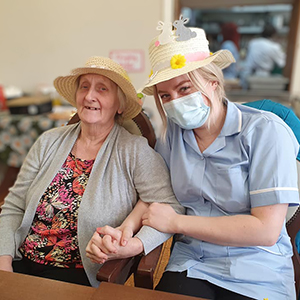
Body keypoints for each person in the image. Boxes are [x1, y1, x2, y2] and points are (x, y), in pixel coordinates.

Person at [137, 18, 298, 299]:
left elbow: (265, 230)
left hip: (257, 270)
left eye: (184, 89)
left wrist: (176, 224)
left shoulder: (266, 131)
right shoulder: (173, 135)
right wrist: (128, 238)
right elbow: (157, 195)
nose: (174, 101)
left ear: (212, 82)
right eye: (165, 95)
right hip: (192, 264)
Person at [0, 56, 184, 287]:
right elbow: (14, 205)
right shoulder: (48, 141)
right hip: (21, 262)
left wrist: (138, 244)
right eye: (84, 87)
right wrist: (4, 261)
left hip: (79, 274)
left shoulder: (134, 150)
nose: (89, 96)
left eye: (102, 89)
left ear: (119, 105)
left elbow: (169, 205)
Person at [241, 23, 286, 89]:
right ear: (273, 35)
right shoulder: (273, 46)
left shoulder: (253, 43)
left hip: (248, 75)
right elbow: (282, 63)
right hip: (263, 78)